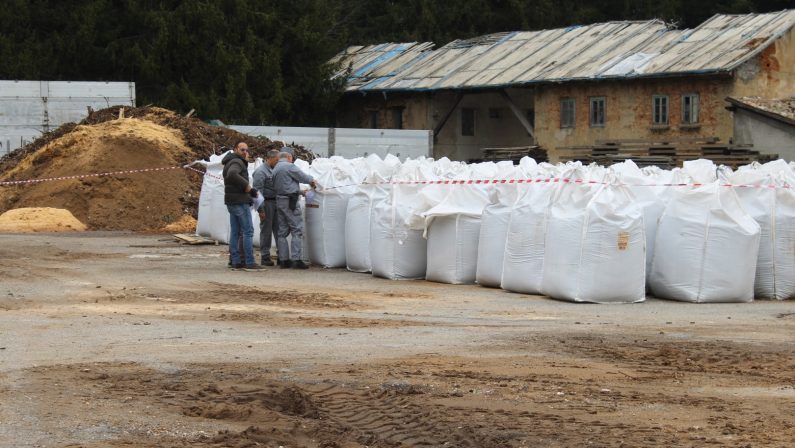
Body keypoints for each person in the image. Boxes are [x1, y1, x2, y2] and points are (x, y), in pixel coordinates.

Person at [222, 142, 264, 271]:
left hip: (231, 201)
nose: (245, 152)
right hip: (239, 201)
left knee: (235, 232)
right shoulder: (237, 162)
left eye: (247, 150)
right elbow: (232, 174)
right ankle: (248, 261)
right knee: (248, 231)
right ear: (235, 149)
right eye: (242, 150)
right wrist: (247, 186)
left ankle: (236, 261)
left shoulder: (231, 161)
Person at [273, 147, 316, 269]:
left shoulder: (276, 168)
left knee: (282, 232)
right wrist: (313, 181)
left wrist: (300, 192)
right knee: (296, 230)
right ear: (289, 157)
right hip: (290, 202)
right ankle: (296, 259)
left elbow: (285, 185)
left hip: (279, 200)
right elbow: (303, 177)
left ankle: (284, 260)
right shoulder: (289, 166)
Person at [252, 149, 280, 266]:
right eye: (277, 160)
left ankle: (281, 255)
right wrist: (260, 209)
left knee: (279, 230)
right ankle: (265, 256)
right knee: (266, 231)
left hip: (276, 202)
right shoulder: (260, 172)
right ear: (270, 158)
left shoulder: (274, 170)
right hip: (267, 203)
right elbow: (257, 193)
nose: (278, 162)